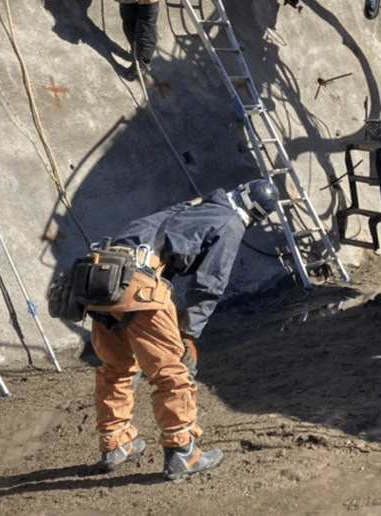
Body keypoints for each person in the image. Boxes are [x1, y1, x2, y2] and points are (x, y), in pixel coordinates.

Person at [69, 179, 281, 480]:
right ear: (256, 216)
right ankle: (183, 452)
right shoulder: (230, 222)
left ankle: (115, 444)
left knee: (115, 369)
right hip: (138, 284)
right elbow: (210, 284)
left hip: (101, 278)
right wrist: (189, 334)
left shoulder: (193, 207)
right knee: (172, 371)